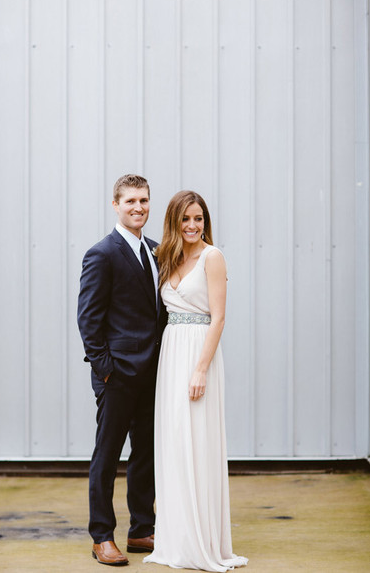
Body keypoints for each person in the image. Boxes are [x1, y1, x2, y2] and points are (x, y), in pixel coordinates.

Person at [144, 190, 248, 571]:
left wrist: (200, 368)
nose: (192, 225)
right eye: (185, 219)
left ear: (205, 222)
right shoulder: (166, 256)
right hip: (171, 354)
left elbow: (218, 317)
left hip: (198, 353)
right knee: (173, 443)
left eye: (198, 218)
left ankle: (203, 541)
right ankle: (177, 539)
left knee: (198, 442)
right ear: (174, 221)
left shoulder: (212, 257)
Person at [77, 174, 167, 566]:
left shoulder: (156, 250)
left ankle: (141, 529)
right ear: (116, 205)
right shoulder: (102, 254)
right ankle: (101, 536)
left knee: (145, 453)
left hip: (152, 374)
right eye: (130, 201)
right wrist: (105, 370)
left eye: (143, 200)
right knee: (107, 456)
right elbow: (88, 319)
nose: (138, 207)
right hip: (116, 376)